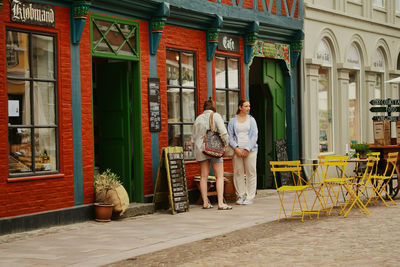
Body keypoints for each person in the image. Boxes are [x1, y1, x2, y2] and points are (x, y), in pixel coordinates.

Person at [192, 97, 232, 210]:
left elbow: (193, 137)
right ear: (214, 107)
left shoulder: (198, 118)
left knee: (203, 176)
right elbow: (223, 132)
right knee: (219, 176)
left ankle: (205, 202)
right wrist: (226, 144)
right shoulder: (216, 116)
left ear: (204, 107)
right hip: (214, 150)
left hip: (201, 150)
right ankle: (220, 203)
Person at [228, 99, 258, 205]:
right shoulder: (233, 121)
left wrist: (247, 149)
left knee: (251, 173)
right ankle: (240, 195)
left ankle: (249, 196)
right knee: (238, 173)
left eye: (249, 106)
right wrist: (236, 148)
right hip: (237, 150)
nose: (248, 108)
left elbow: (255, 136)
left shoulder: (252, 120)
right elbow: (230, 136)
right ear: (240, 107)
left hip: (250, 150)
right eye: (246, 106)